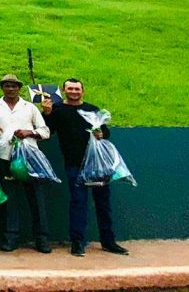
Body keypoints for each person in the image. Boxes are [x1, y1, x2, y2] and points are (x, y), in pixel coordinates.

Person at [41, 78, 129, 257]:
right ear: (64, 90)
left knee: (103, 204)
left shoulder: (92, 109)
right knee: (78, 203)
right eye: (70, 89)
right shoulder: (57, 109)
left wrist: (101, 133)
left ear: (83, 91)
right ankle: (77, 242)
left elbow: (106, 133)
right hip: (74, 165)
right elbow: (48, 132)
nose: (74, 92)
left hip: (99, 166)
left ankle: (108, 241)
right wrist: (47, 114)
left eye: (77, 89)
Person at [0, 73, 51, 253]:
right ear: (2, 87)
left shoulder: (29, 107)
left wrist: (29, 133)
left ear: (19, 88)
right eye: (7, 85)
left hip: (29, 157)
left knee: (36, 198)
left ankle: (42, 238)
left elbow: (45, 131)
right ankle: (11, 237)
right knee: (10, 198)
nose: (11, 88)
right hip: (5, 156)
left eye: (14, 86)